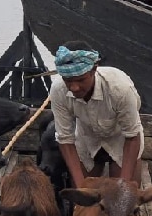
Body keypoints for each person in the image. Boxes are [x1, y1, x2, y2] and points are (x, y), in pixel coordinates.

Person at [50, 42, 145, 188]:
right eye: (68, 81)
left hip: (121, 139)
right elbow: (65, 139)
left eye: (81, 80)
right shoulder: (58, 91)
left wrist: (123, 186)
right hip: (87, 138)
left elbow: (132, 136)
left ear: (94, 69)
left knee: (124, 196)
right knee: (82, 197)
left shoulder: (120, 89)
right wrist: (81, 188)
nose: (74, 87)